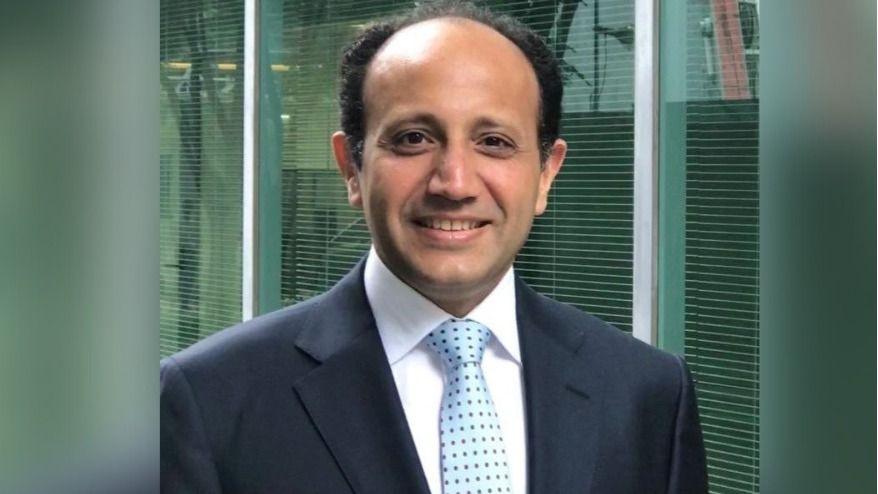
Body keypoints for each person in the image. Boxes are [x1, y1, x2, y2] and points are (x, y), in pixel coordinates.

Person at [160, 2, 708, 493]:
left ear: (546, 173)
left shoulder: (647, 394)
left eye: (494, 142)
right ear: (351, 167)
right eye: (413, 139)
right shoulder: (209, 403)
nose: (454, 182)